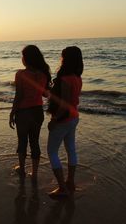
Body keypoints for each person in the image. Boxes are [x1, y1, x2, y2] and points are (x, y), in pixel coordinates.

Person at [9, 45, 51, 181]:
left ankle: (22, 169)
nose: (22, 58)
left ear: (26, 59)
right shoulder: (44, 74)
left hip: (23, 112)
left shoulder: (20, 74)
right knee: (35, 142)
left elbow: (19, 95)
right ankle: (35, 173)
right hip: (38, 112)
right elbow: (46, 94)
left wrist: (12, 112)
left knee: (22, 142)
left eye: (23, 56)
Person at [46, 46, 83, 198]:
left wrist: (54, 120)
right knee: (71, 149)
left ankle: (62, 188)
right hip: (74, 117)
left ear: (65, 59)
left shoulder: (66, 78)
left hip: (64, 119)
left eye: (62, 56)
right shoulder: (77, 77)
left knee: (52, 151)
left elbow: (64, 103)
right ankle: (70, 182)